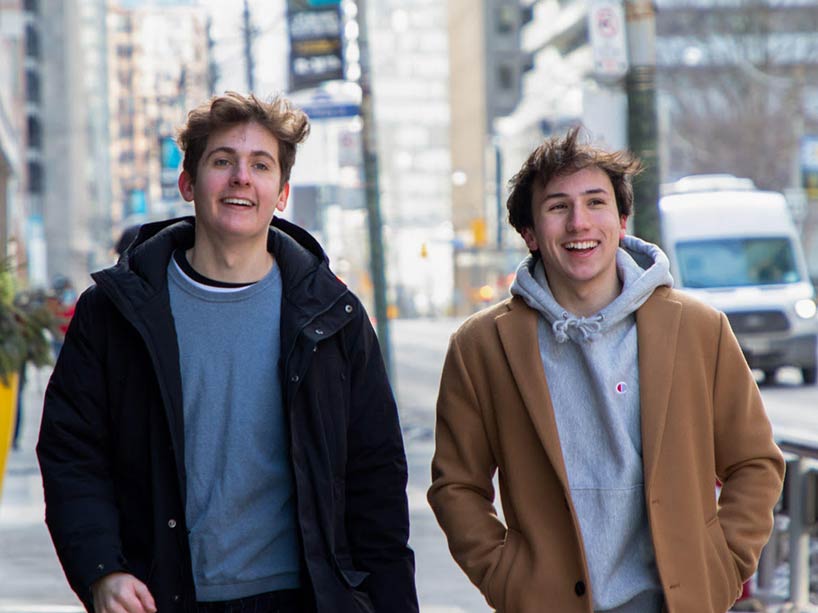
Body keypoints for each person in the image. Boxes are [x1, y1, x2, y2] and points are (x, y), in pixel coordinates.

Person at [37, 92, 418, 613]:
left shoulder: (333, 317)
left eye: (260, 165)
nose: (242, 177)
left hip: (305, 597)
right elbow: (71, 453)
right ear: (188, 184)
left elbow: (376, 479)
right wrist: (103, 569)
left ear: (281, 193)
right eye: (223, 161)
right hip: (161, 595)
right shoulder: (114, 313)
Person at [427, 127, 784, 613]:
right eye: (557, 207)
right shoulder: (480, 346)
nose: (579, 223)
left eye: (595, 203)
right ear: (529, 233)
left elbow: (755, 462)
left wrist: (722, 564)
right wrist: (505, 577)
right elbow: (457, 486)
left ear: (621, 219)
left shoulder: (700, 329)